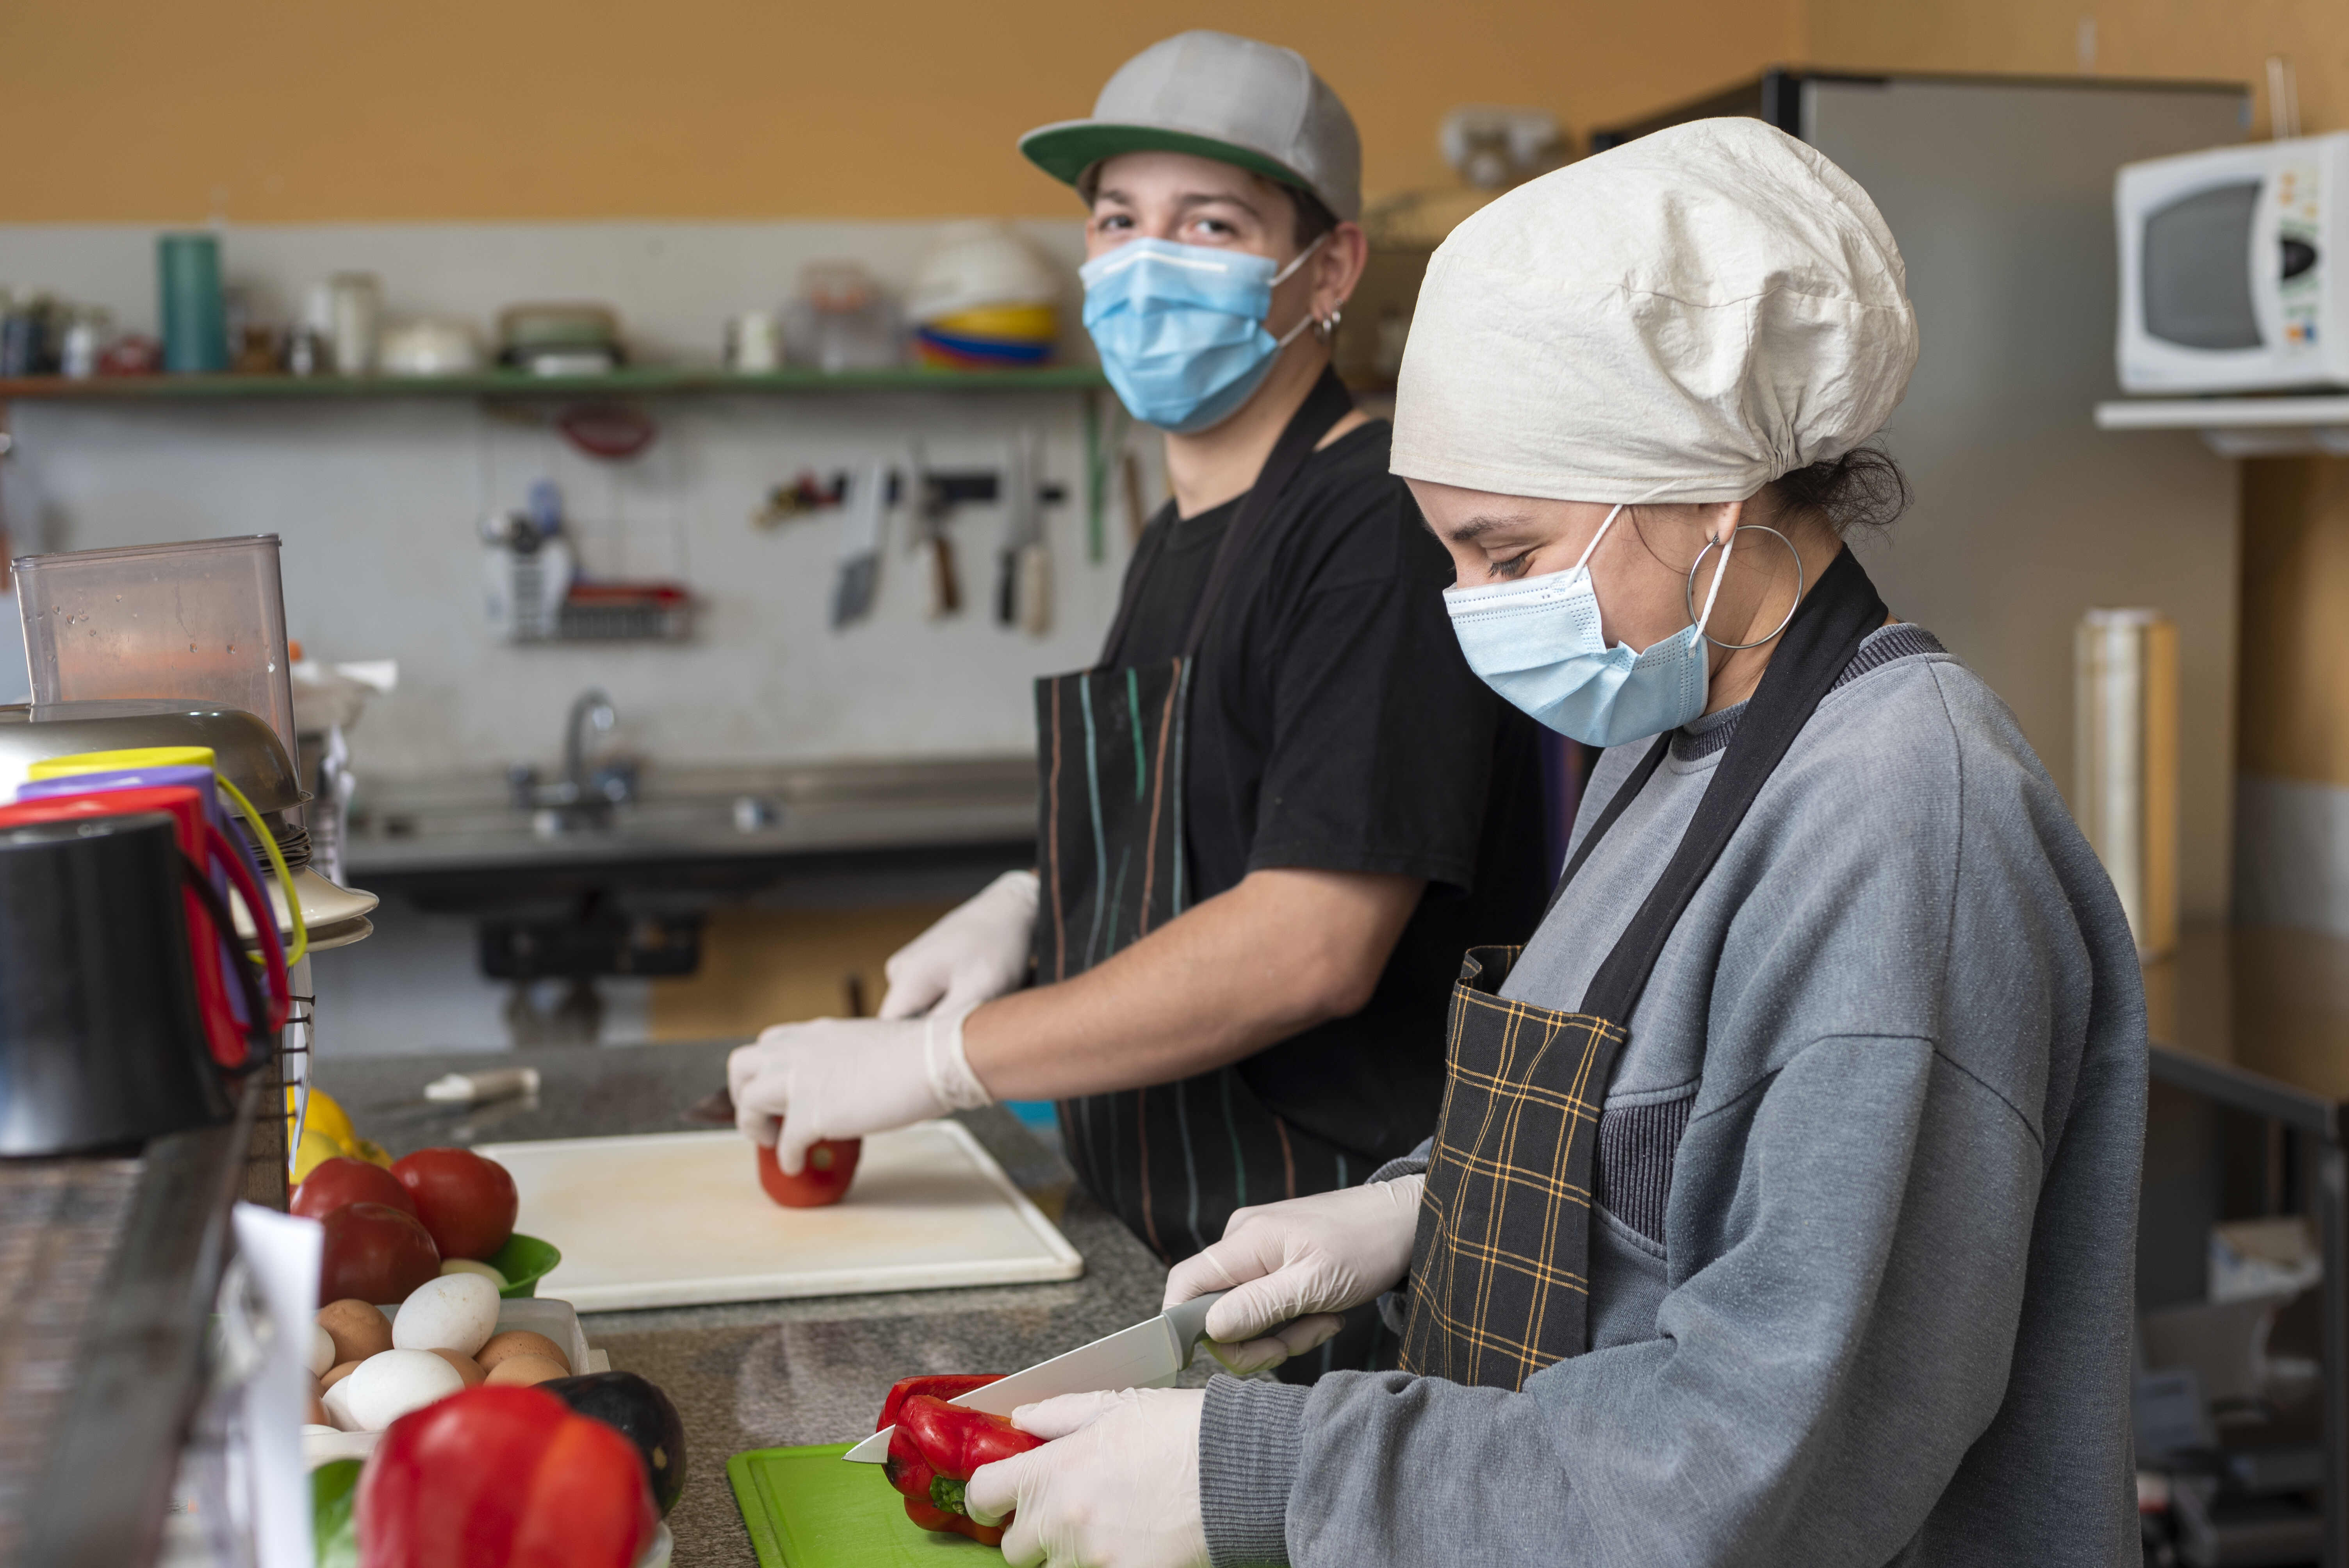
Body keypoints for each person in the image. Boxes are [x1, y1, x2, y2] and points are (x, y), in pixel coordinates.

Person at [958, 118, 2149, 1568]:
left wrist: (1274, 1471)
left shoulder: (1906, 829)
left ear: (1711, 491)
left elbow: (1764, 1461)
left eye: (1506, 555)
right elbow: (1652, 1151)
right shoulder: (1667, 738)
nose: (1469, 606)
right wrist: (1417, 1206)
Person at [727, 30, 1546, 1380]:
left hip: (1332, 1298)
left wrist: (945, 1062)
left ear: (1327, 268)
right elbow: (1229, 814)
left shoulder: (1371, 528)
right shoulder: (1188, 528)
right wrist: (1038, 901)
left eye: (1209, 224)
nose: (1147, 259)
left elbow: (1309, 942)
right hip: (1165, 1249)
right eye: (1120, 220)